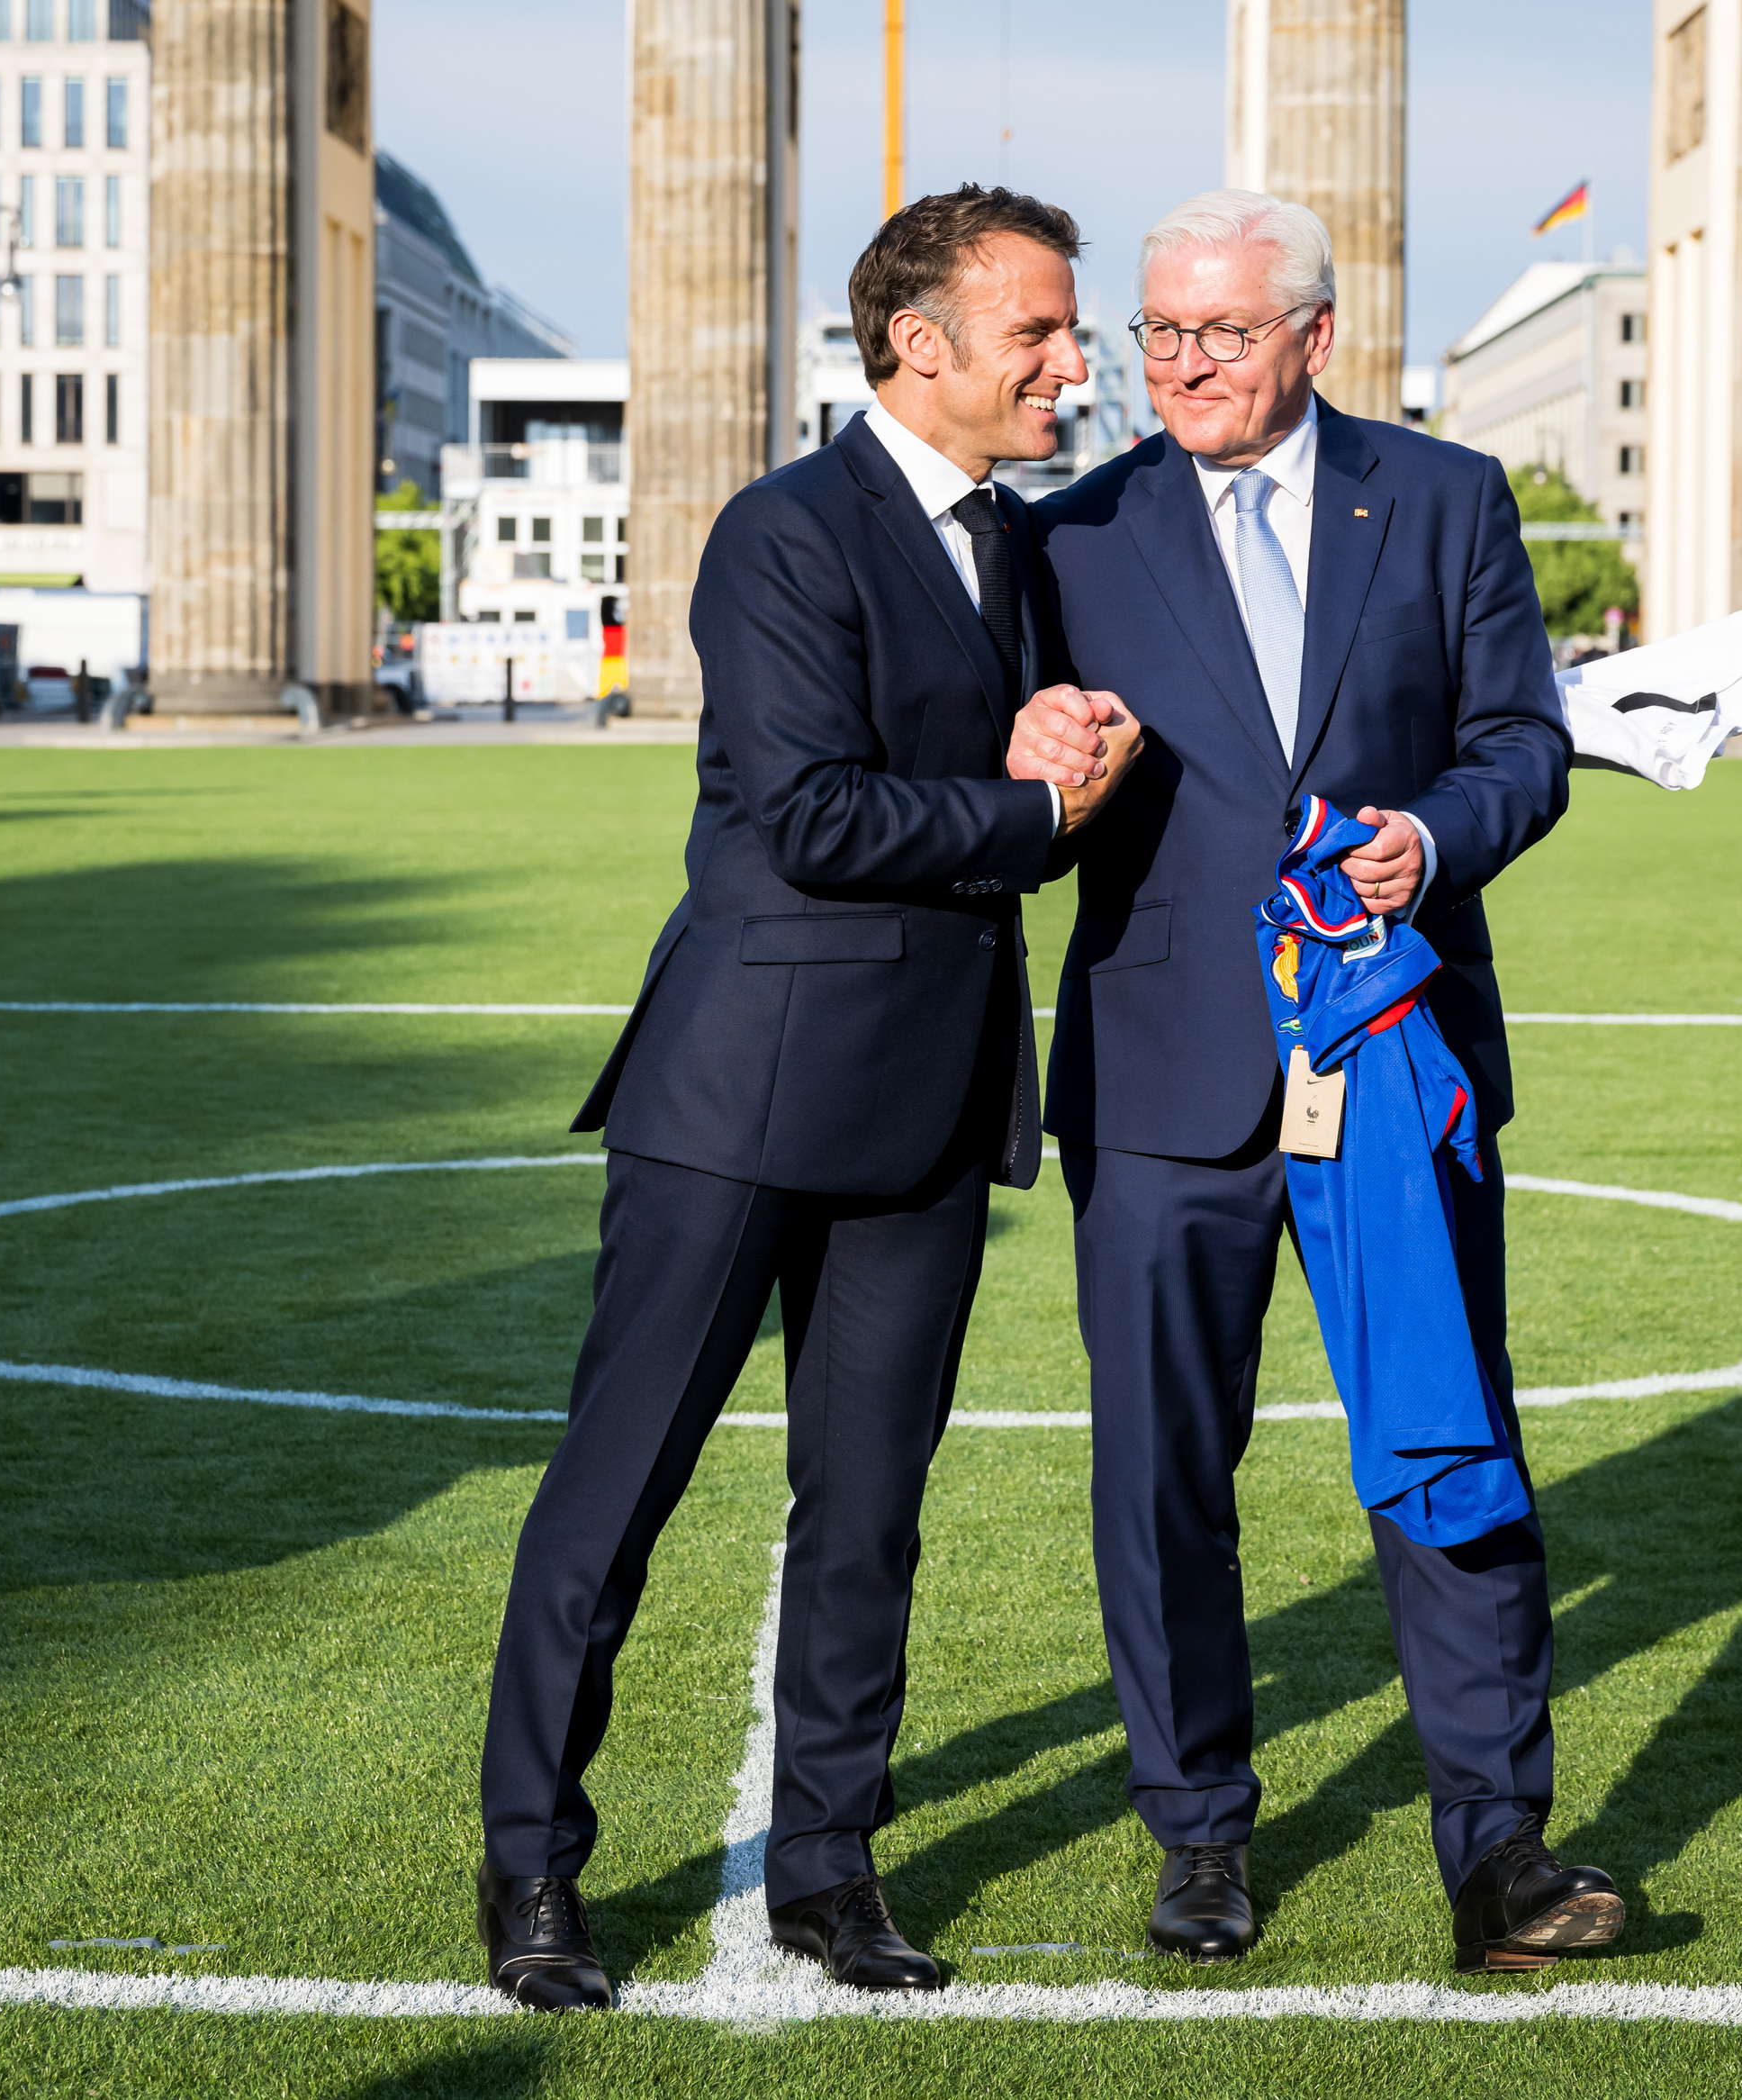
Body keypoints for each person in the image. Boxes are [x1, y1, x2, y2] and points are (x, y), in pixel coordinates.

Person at [475, 186, 1142, 2012]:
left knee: (868, 1513)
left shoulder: (1020, 544)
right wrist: (1034, 806)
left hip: (931, 1101)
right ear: (919, 343)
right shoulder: (782, 528)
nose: (1071, 364)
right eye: (1037, 331)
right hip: (739, 1091)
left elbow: (1029, 763)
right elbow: (808, 810)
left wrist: (1077, 742)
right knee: (616, 1495)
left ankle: (831, 1866)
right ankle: (532, 1863)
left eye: (1069, 331)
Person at [1017, 190, 1619, 1978]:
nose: (1181, 364)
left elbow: (1522, 746)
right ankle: (1199, 1829)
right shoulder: (1068, 535)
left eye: (1221, 331)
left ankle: (1498, 1846)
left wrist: (1431, 839)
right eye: (1158, 332)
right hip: (1160, 1083)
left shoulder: (1443, 497)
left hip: (1395, 1062)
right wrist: (1032, 752)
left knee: (1446, 1438)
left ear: (1316, 337)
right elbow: (1017, 780)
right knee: (1161, 1476)